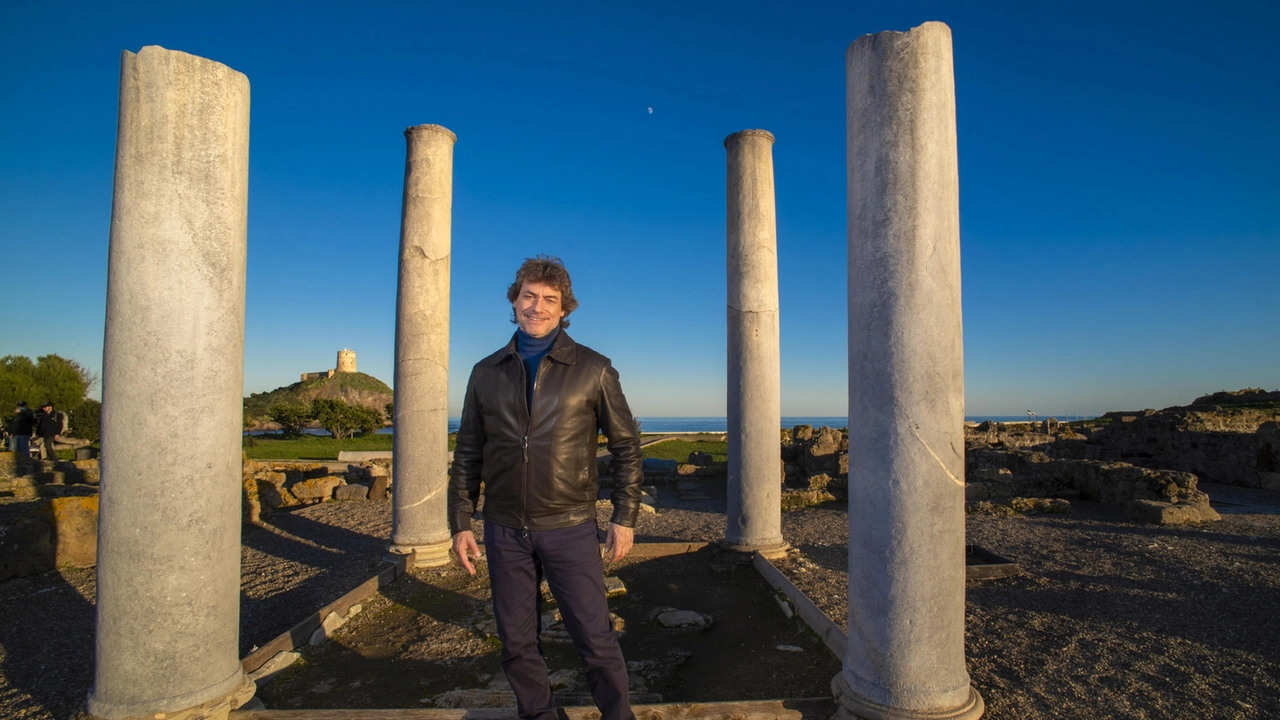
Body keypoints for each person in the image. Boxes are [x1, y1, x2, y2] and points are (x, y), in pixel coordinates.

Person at [449, 256, 643, 720]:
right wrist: (460, 522)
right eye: (529, 296)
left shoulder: (594, 368)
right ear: (514, 302)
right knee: (516, 643)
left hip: (570, 527)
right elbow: (468, 454)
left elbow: (627, 448)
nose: (537, 307)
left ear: (563, 309)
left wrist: (624, 517)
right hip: (502, 529)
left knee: (595, 638)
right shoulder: (485, 372)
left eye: (549, 300)